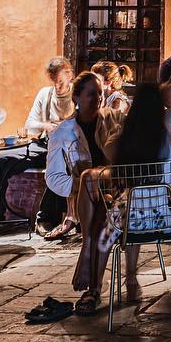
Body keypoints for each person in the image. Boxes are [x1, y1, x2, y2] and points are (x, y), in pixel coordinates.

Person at [65, 80, 171, 315]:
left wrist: (126, 127)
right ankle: (131, 279)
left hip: (133, 218)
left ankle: (94, 284)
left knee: (106, 224)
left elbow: (107, 152)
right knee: (122, 206)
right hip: (169, 216)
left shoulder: (126, 141)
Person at [0, 57, 78, 235]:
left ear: (69, 74)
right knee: (0, 161)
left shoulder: (76, 93)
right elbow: (30, 123)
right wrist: (47, 125)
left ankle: (45, 218)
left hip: (66, 148)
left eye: (60, 81)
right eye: (54, 82)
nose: (57, 86)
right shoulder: (45, 94)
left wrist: (63, 127)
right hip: (43, 144)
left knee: (58, 166)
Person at [42, 72, 122, 245]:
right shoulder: (63, 133)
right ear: (76, 97)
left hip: (117, 196)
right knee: (94, 246)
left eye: (100, 93)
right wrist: (84, 184)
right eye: (92, 94)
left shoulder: (113, 119)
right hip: (89, 205)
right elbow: (53, 177)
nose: (98, 98)